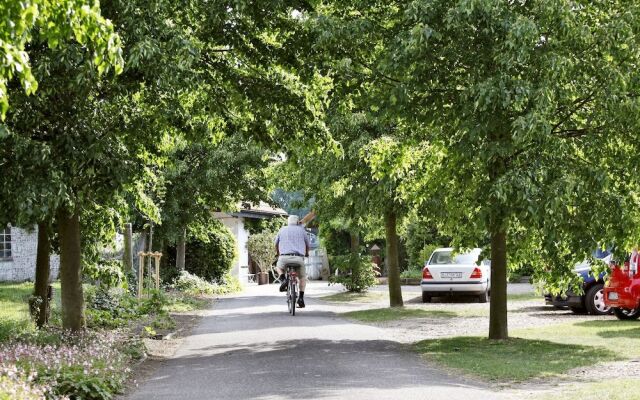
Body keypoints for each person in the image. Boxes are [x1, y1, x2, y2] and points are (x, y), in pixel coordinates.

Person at [274, 215, 310, 308]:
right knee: (302, 278)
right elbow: (307, 244)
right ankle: (301, 298)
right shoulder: (302, 230)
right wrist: (306, 253)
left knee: (278, 267)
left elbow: (276, 243)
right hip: (298, 258)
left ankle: (283, 279)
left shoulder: (282, 230)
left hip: (284, 257)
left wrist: (278, 253)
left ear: (288, 222)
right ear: (297, 222)